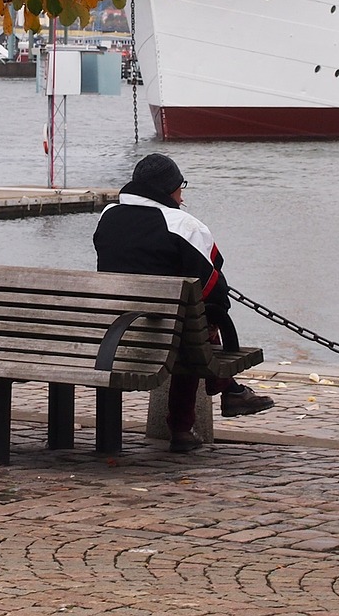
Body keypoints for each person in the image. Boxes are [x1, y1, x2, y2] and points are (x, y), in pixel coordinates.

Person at [93, 153, 274, 453]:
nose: (182, 193)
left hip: (114, 334)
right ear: (169, 190)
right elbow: (214, 280)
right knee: (193, 327)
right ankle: (189, 422)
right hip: (168, 337)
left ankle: (229, 392)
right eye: (180, 186)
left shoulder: (107, 216)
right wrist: (217, 316)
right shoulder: (183, 225)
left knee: (185, 322)